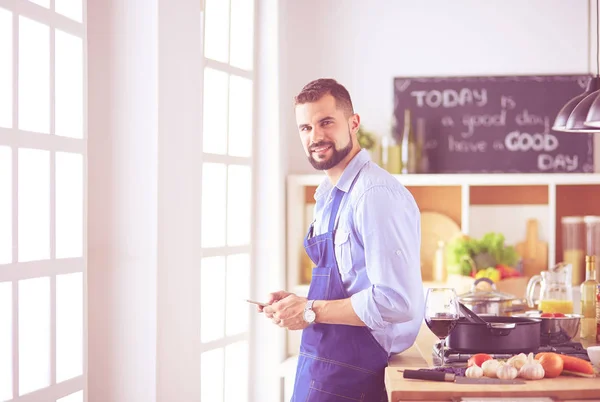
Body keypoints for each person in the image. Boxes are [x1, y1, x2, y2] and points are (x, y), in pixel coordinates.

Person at [260, 78, 424, 401]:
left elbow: (397, 301)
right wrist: (296, 304)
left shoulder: (374, 194)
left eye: (326, 122)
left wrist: (310, 310)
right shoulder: (328, 196)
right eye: (305, 128)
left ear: (353, 123)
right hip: (320, 367)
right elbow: (348, 284)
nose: (315, 136)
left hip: (356, 377)